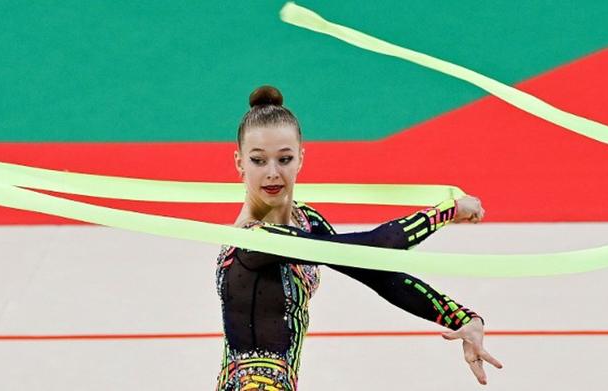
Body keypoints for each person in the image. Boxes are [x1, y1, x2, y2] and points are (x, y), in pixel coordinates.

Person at [215, 86, 502, 390]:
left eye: (284, 159)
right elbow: (378, 245)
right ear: (239, 163)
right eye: (258, 161)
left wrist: (461, 318)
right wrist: (447, 211)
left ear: (300, 158)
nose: (272, 172)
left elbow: (374, 271)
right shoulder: (254, 239)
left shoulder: (306, 221)